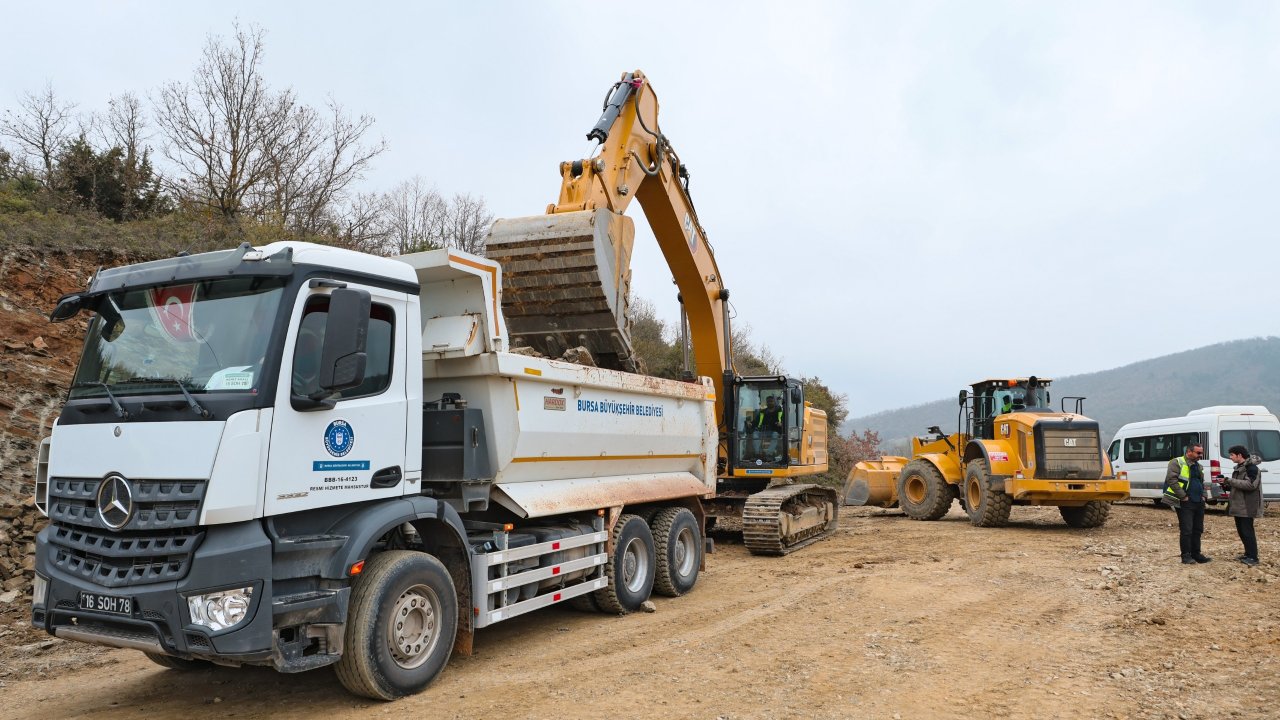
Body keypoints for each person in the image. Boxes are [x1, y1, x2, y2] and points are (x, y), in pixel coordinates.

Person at [1163, 443, 1211, 564]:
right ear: (1189, 452)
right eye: (1198, 453)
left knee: (1198, 529)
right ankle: (1186, 555)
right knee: (1187, 530)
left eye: (1201, 452)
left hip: (1198, 502)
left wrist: (1204, 496)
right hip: (1185, 503)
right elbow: (1171, 480)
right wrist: (1183, 496)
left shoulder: (1198, 466)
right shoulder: (1176, 462)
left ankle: (1196, 554)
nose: (1201, 455)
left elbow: (1201, 482)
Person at [1225, 445, 1262, 566]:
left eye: (1232, 455)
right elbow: (1238, 486)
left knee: (1247, 531)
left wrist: (1230, 480)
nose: (1230, 457)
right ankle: (1248, 554)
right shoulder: (1239, 468)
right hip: (1239, 505)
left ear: (1239, 455)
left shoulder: (1252, 468)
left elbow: (1251, 485)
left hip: (1248, 506)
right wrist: (1225, 484)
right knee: (1242, 531)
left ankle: (1253, 557)